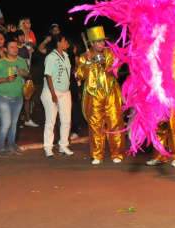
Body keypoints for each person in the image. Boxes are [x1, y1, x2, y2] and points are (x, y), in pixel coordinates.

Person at [75, 26, 125, 165]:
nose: (102, 44)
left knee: (115, 122)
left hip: (111, 93)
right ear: (91, 43)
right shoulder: (84, 57)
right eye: (98, 41)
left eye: (103, 41)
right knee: (95, 125)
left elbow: (116, 70)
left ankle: (117, 153)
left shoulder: (110, 53)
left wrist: (105, 63)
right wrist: (88, 63)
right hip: (93, 95)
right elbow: (79, 75)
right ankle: (97, 154)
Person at [0, 38, 30, 156]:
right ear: (5, 49)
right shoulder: (0, 63)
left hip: (18, 97)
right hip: (3, 97)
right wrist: (5, 79)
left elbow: (28, 75)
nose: (15, 49)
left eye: (16, 47)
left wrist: (24, 73)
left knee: (14, 123)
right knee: (6, 123)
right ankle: (1, 148)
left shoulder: (22, 61)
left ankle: (11, 145)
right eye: (12, 47)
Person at [41, 34, 74, 157]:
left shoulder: (66, 56)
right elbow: (48, 75)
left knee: (66, 120)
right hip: (51, 92)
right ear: (58, 43)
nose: (67, 43)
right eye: (65, 41)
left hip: (65, 92)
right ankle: (48, 147)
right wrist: (53, 93)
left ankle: (63, 145)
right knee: (51, 121)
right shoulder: (51, 57)